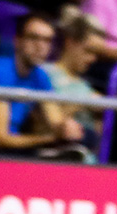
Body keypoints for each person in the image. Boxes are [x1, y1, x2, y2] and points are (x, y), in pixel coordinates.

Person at [0, 13, 89, 157]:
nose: (41, 46)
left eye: (47, 40)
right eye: (34, 38)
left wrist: (65, 128)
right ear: (17, 41)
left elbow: (55, 120)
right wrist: (49, 139)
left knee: (86, 138)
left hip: (10, 151)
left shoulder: (40, 75)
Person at [44, 8, 108, 145]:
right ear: (70, 42)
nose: (92, 59)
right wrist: (84, 103)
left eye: (96, 54)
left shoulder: (85, 85)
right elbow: (43, 122)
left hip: (88, 159)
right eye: (88, 51)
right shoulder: (44, 74)